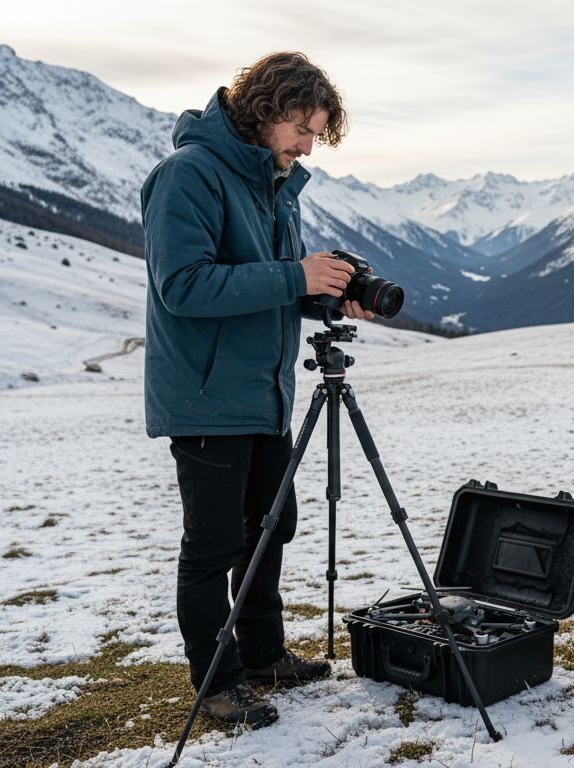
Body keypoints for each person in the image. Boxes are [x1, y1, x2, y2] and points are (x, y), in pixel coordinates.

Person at [141, 51, 373, 728]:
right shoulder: (188, 176)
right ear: (265, 109)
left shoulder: (271, 183)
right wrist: (295, 278)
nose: (308, 146)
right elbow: (182, 287)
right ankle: (218, 683)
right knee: (214, 545)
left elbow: (271, 285)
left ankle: (266, 654)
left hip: (264, 392)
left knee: (271, 529)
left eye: (316, 135)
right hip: (208, 395)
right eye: (302, 129)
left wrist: (330, 293)